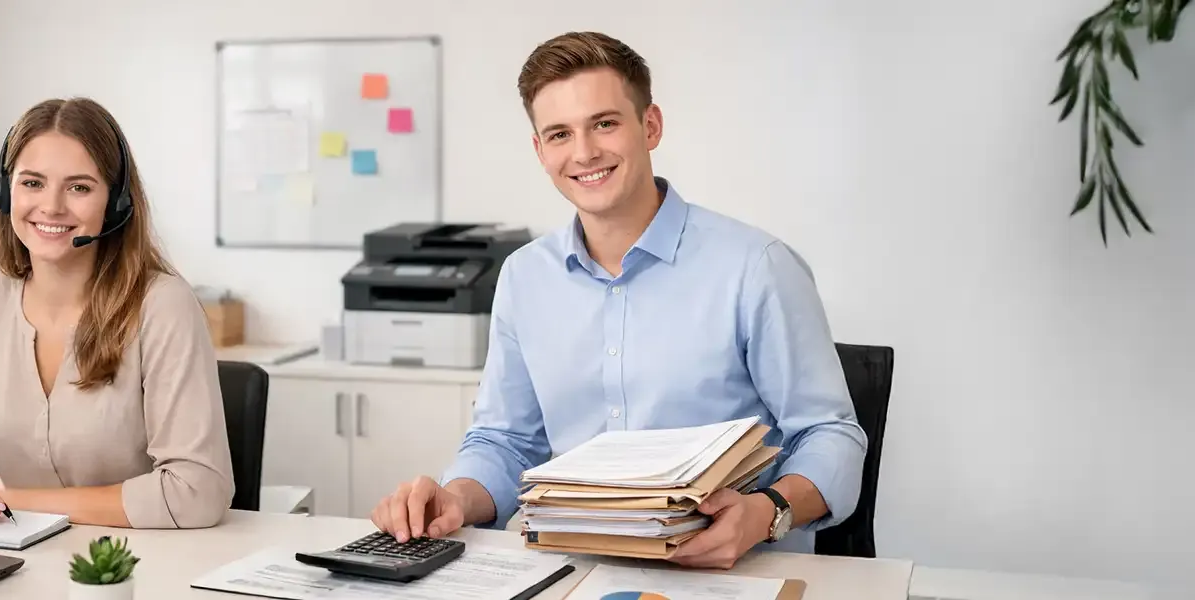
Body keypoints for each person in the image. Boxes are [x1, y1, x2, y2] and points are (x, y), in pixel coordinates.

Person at [367, 32, 869, 569]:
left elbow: (829, 434)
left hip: (735, 570)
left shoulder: (756, 266)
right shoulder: (523, 277)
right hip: (576, 568)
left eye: (604, 123)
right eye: (560, 134)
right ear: (540, 151)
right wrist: (456, 498)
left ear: (650, 126)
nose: (584, 153)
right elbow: (505, 441)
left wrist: (767, 512)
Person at [0, 98, 233, 529]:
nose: (51, 207)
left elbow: (196, 491)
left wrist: (17, 500)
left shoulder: (162, 307)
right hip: (21, 560)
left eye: (79, 187)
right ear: (4, 191)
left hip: (132, 570)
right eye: (32, 182)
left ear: (116, 203)